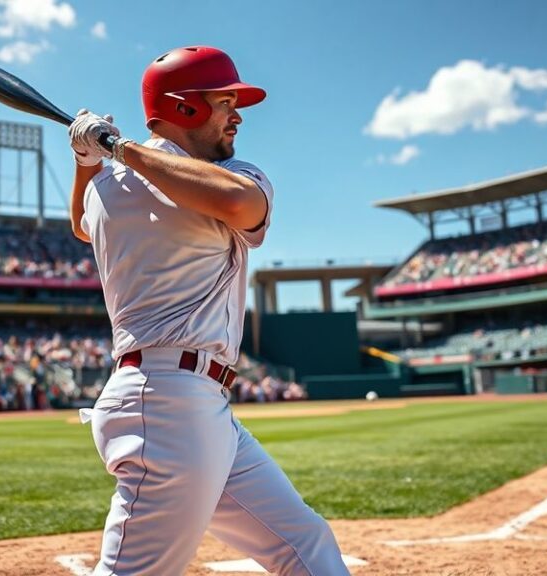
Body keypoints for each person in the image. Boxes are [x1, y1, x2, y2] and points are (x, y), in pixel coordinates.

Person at [68, 46, 349, 576]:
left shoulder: (166, 178)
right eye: (225, 103)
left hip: (199, 405)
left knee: (302, 542)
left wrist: (97, 161)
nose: (236, 116)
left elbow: (234, 203)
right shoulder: (129, 180)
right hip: (167, 403)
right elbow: (88, 222)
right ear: (185, 107)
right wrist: (94, 161)